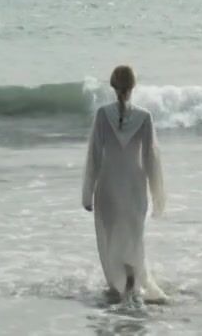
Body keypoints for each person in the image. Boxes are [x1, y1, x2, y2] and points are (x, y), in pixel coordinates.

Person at [82, 65, 168, 304]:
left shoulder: (102, 115)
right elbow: (151, 159)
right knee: (133, 236)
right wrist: (158, 196)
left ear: (113, 86)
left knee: (111, 238)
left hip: (108, 185)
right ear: (133, 87)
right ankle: (131, 280)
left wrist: (87, 194)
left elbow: (94, 156)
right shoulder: (144, 117)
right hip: (134, 186)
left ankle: (119, 287)